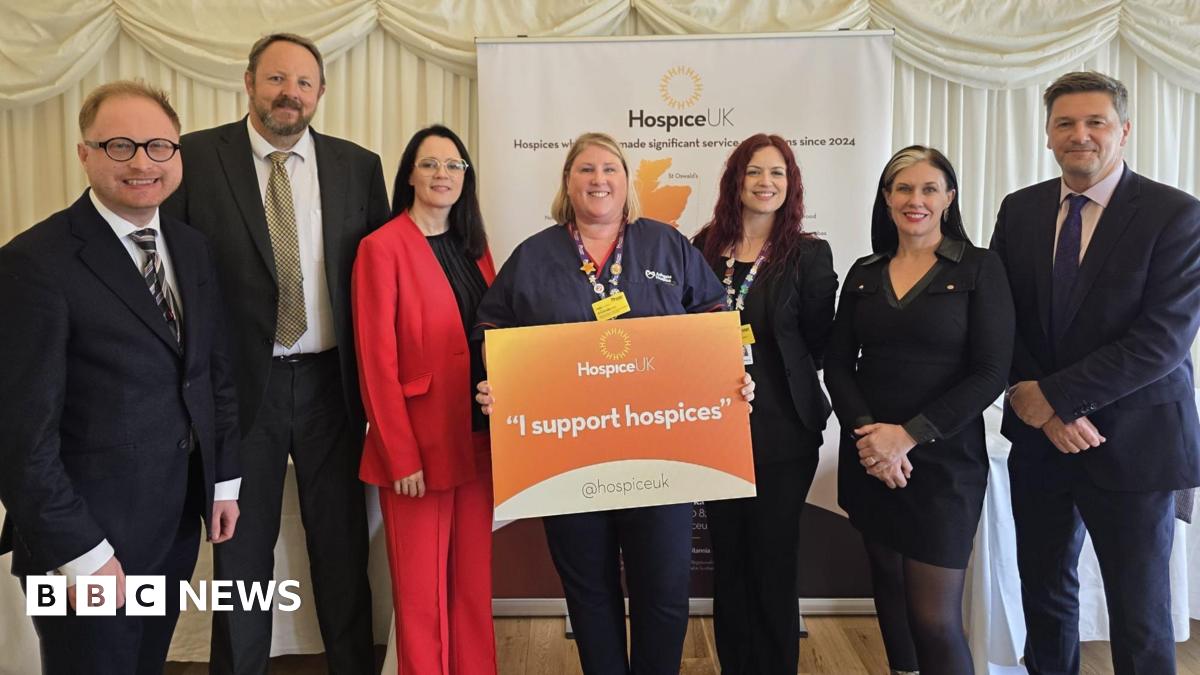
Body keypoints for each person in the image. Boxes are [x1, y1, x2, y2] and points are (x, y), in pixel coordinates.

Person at [471, 132, 753, 675]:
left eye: (610, 169)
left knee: (664, 590)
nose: (598, 180)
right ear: (567, 182)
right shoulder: (533, 256)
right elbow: (491, 327)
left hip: (662, 456)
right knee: (589, 592)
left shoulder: (668, 246)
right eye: (585, 170)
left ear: (627, 182)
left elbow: (717, 320)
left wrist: (733, 377)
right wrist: (494, 381)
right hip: (568, 461)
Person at [160, 33, 390, 673]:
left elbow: (380, 282)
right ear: (249, 83)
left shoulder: (357, 166)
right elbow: (173, 278)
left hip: (330, 386)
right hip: (238, 393)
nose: (290, 93)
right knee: (242, 552)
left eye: (304, 83)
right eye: (276, 80)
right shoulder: (196, 159)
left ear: (319, 93)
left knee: (342, 546)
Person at [0, 80, 240, 674]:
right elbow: (19, 438)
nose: (141, 162)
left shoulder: (190, 248)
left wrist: (223, 481)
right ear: (84, 153)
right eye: (119, 145)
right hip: (87, 542)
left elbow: (210, 374)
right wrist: (81, 555)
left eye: (159, 146)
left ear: (178, 154)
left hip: (176, 524)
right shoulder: (34, 264)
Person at [990, 71, 1200, 675]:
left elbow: (1162, 341)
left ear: (1123, 131)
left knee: (1141, 614)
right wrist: (1038, 407)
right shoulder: (1021, 209)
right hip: (1040, 446)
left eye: (1095, 122)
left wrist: (1053, 400)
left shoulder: (1176, 215)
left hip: (1136, 444)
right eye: (1065, 124)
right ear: (1049, 135)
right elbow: (1002, 317)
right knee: (1046, 599)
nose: (1079, 135)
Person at [824, 145, 1013, 675]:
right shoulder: (864, 271)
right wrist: (870, 438)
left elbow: (991, 372)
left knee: (934, 618)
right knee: (890, 595)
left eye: (929, 188)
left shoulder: (980, 268)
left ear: (949, 198)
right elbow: (838, 365)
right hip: (870, 460)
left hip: (943, 463)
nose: (916, 200)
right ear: (886, 199)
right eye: (903, 188)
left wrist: (905, 437)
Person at [351, 125, 497, 674]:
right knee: (420, 598)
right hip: (417, 448)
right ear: (410, 174)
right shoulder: (380, 248)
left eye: (454, 165)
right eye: (431, 164)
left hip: (476, 440)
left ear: (466, 177)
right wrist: (400, 453)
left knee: (471, 586)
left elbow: (495, 336)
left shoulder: (476, 248)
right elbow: (376, 363)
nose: (443, 175)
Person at [690, 133, 837, 675]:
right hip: (715, 428)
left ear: (791, 184)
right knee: (728, 563)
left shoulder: (809, 253)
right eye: (755, 172)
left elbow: (821, 342)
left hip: (784, 431)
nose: (766, 183)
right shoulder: (701, 245)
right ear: (736, 179)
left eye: (777, 173)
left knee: (773, 559)